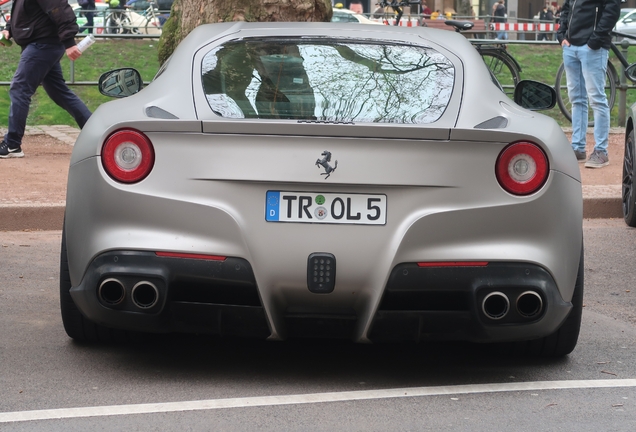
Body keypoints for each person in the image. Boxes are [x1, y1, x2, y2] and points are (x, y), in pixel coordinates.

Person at [0, 0, 92, 159]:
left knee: (20, 88)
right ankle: (97, 132)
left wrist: (69, 42)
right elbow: (24, 12)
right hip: (42, 44)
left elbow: (60, 9)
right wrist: (9, 29)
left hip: (42, 44)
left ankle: (12, 144)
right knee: (59, 93)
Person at [556, 0, 620, 168]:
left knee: (597, 99)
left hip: (592, 47)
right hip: (570, 46)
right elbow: (567, 9)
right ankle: (577, 147)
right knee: (577, 99)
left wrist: (595, 40)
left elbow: (612, 9)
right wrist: (561, 35)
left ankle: (601, 151)